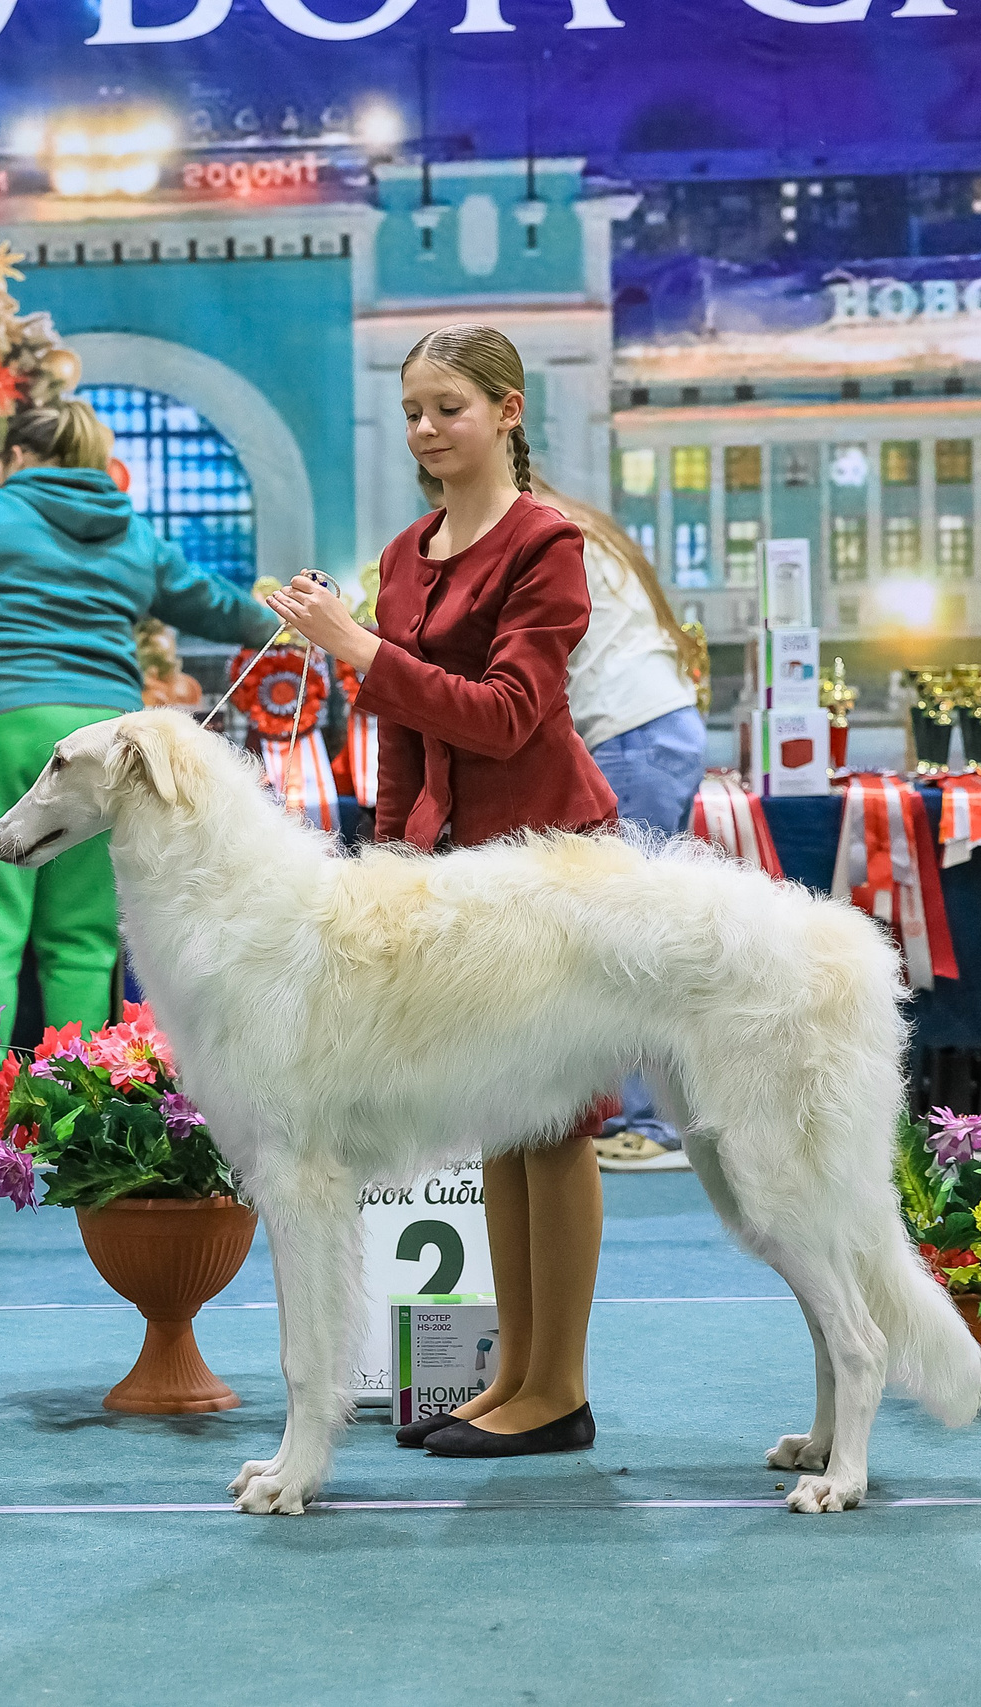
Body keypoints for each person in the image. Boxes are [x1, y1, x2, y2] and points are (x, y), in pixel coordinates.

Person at [265, 323, 617, 1460]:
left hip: (554, 863)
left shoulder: (546, 545)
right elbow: (403, 735)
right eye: (413, 410)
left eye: (449, 409)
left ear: (508, 411)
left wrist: (359, 648)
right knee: (500, 1123)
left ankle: (554, 1388)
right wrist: (388, 865)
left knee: (555, 1124)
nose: (425, 430)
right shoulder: (407, 552)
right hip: (455, 880)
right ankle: (515, 1374)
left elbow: (510, 714)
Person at [0, 399, 278, 1164]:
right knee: (84, 935)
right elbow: (209, 603)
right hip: (104, 743)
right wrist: (279, 618)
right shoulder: (132, 528)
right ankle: (82, 1102)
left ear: (17, 459)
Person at [541, 476, 710, 1174]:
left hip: (629, 736)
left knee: (624, 938)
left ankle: (644, 1122)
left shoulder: (537, 531)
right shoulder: (578, 520)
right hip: (662, 725)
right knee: (644, 929)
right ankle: (657, 1115)